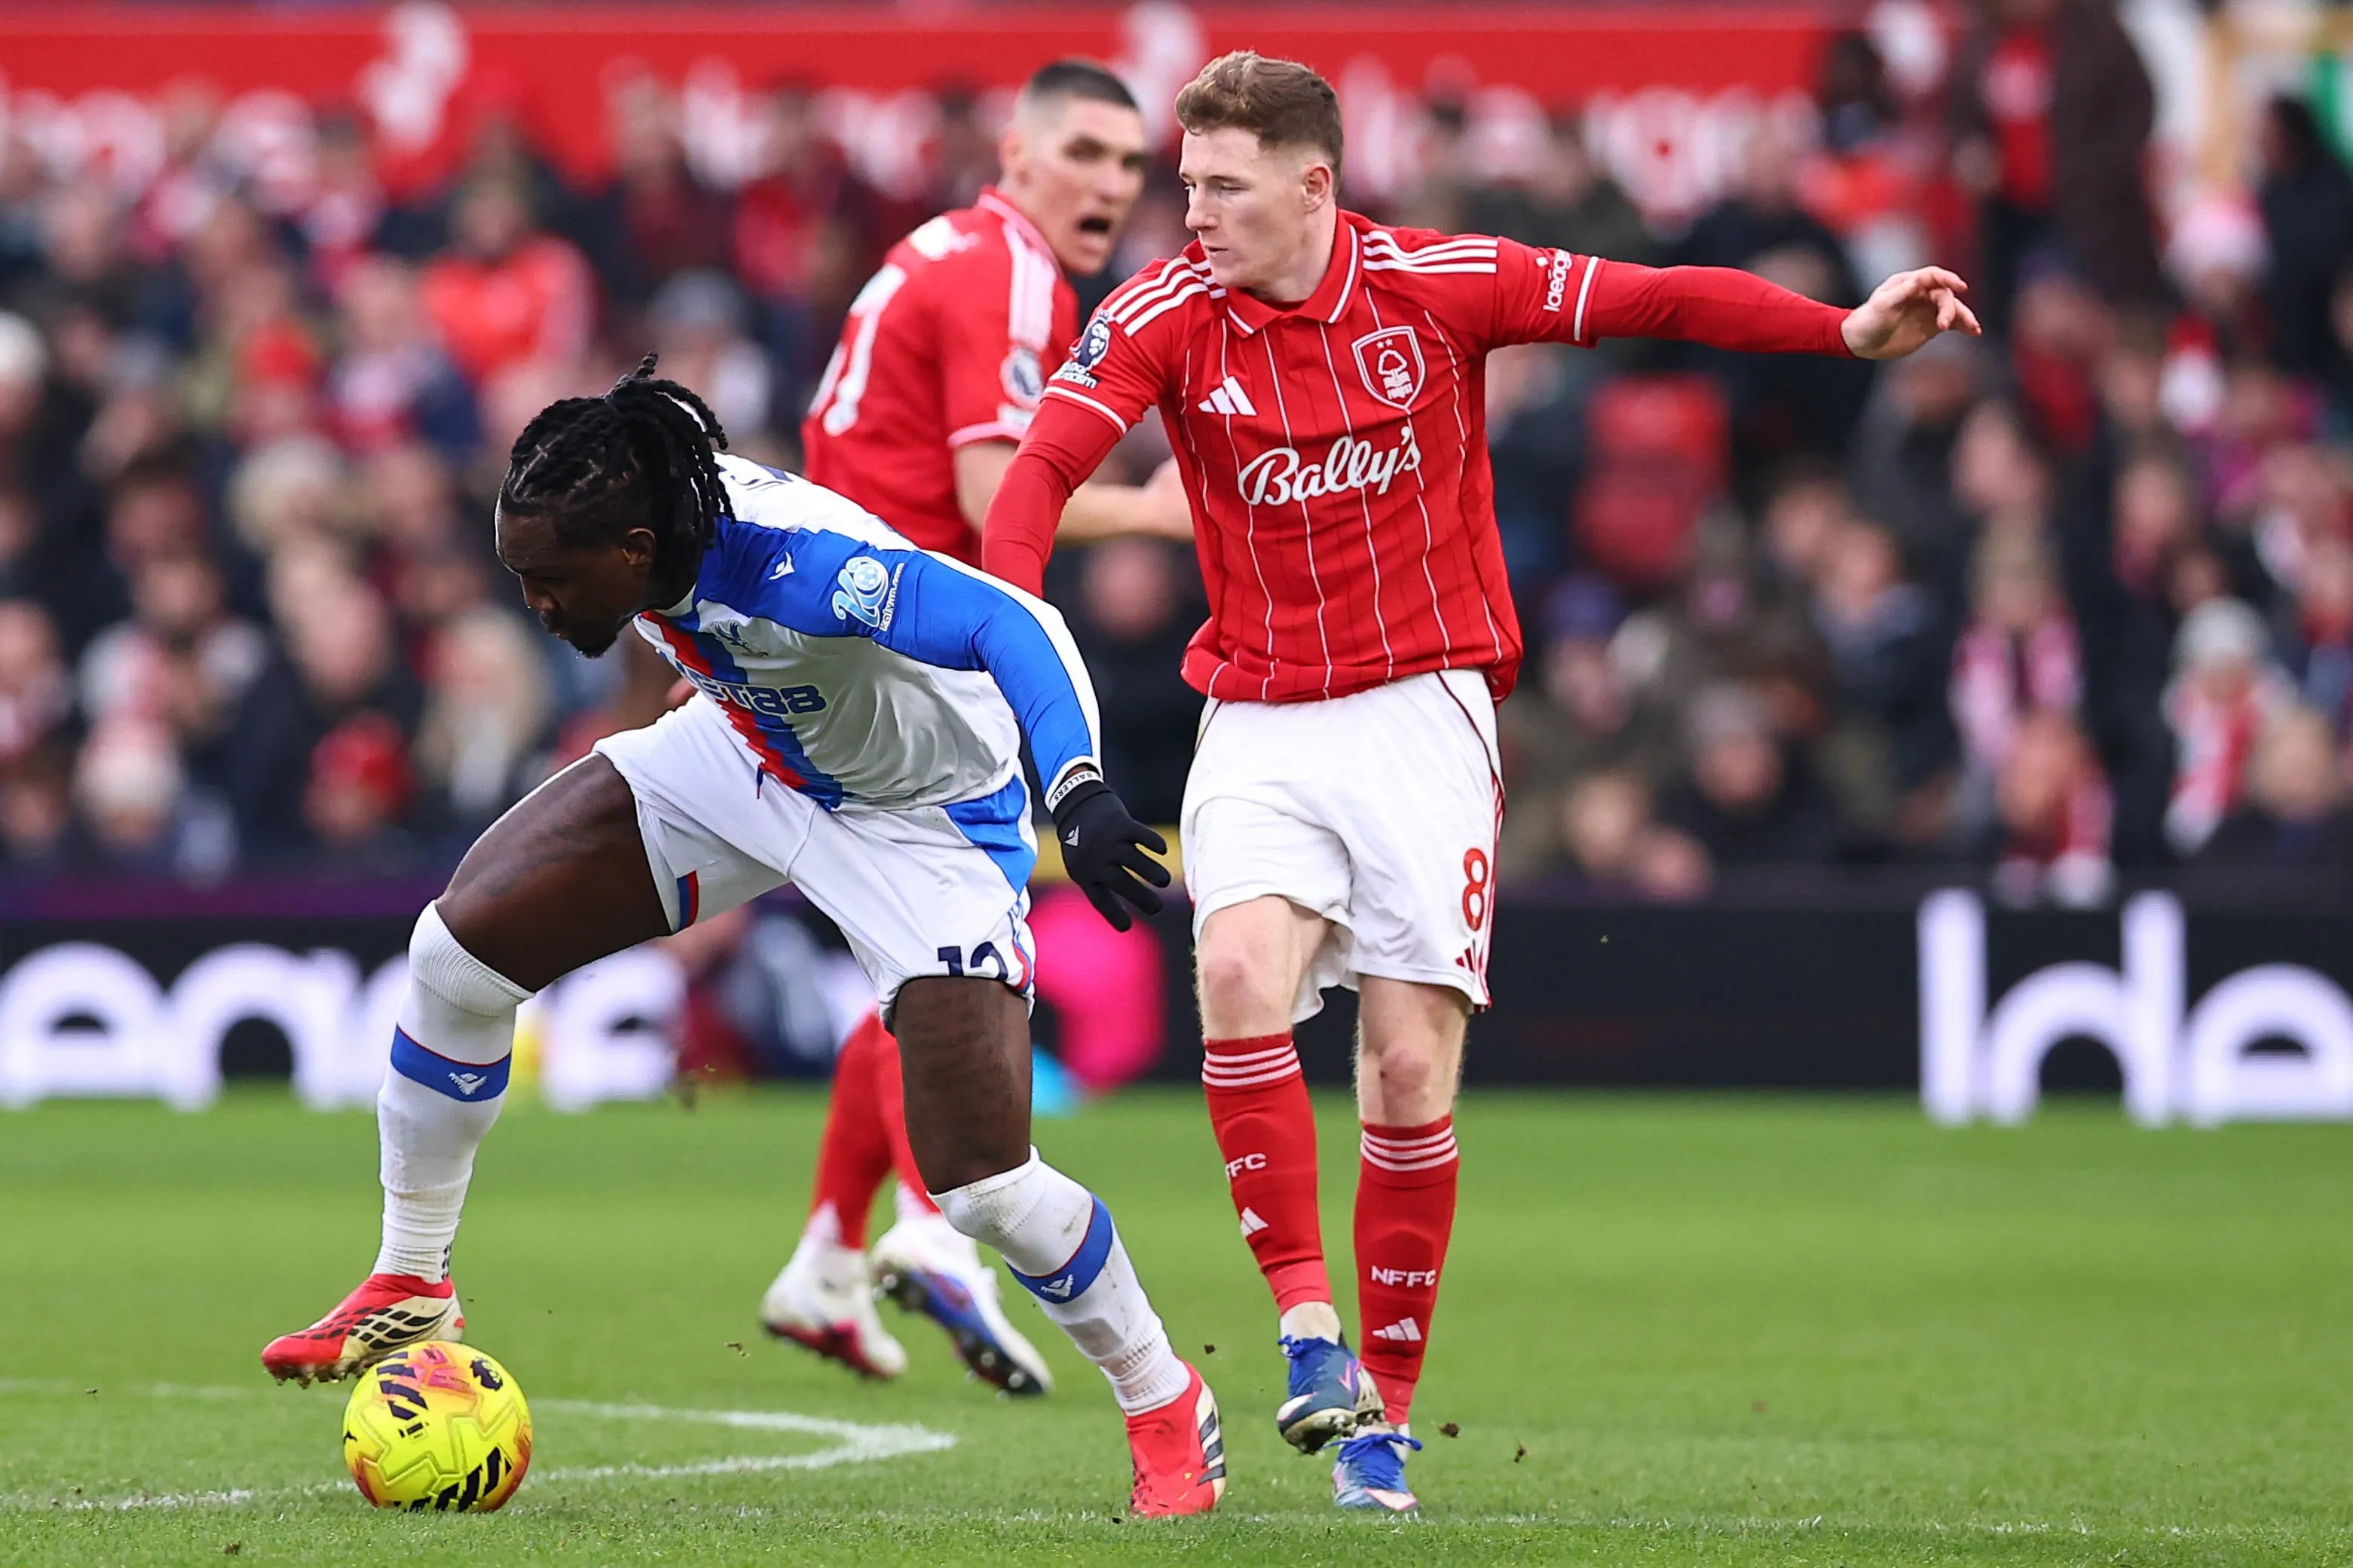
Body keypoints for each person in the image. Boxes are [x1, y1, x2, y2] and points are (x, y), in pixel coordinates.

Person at [982, 50, 1980, 1513]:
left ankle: (1384, 1416)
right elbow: (1031, 484)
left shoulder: (1440, 284)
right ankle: (1306, 1330)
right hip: (1256, 709)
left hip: (1425, 713)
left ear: (1314, 185)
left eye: (1221, 187)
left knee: (1401, 1069)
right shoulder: (1163, 316)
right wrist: (1023, 688)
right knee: (1239, 966)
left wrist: (1843, 327)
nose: (1187, 213)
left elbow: (1657, 295)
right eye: (1183, 184)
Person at [259, 360, 1223, 1517]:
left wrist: (1076, 787)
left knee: (981, 1188)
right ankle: (413, 1277)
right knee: (454, 956)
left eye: (550, 581)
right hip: (750, 755)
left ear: (628, 549)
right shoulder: (641, 518)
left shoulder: (793, 567)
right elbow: (679, 623)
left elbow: (1010, 621)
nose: (537, 605)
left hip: (923, 825)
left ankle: (1163, 1398)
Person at [764, 59, 1190, 1395]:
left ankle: (828, 1265)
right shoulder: (1008, 275)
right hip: (904, 665)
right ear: (1016, 151)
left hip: (834, 629)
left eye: (1131, 167)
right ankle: (933, 1225)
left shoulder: (930, 252)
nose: (1111, 188)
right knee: (958, 963)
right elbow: (992, 491)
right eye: (1085, 154)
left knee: (910, 966)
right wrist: (1168, 511)